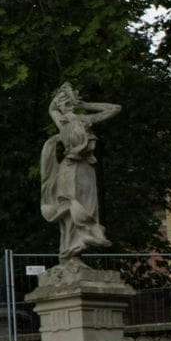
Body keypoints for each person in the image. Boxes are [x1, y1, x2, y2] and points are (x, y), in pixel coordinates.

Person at [39, 83, 121, 258]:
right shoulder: (62, 121)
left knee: (87, 204)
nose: (65, 103)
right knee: (70, 203)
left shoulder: (84, 120)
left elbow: (115, 108)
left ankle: (79, 243)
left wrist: (84, 105)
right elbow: (52, 108)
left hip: (85, 168)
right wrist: (61, 95)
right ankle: (72, 247)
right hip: (69, 168)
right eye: (62, 101)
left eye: (67, 101)